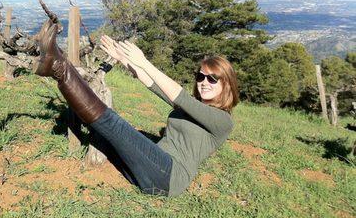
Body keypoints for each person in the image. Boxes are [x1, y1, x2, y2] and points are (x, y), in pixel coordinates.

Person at [33, 19, 238, 197]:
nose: (204, 82)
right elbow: (154, 85)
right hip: (151, 167)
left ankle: (57, 67)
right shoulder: (194, 107)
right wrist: (124, 60)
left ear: (226, 84)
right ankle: (55, 58)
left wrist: (144, 62)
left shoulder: (223, 121)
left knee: (114, 124)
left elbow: (179, 95)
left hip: (169, 176)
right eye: (201, 76)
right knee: (107, 131)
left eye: (212, 79)